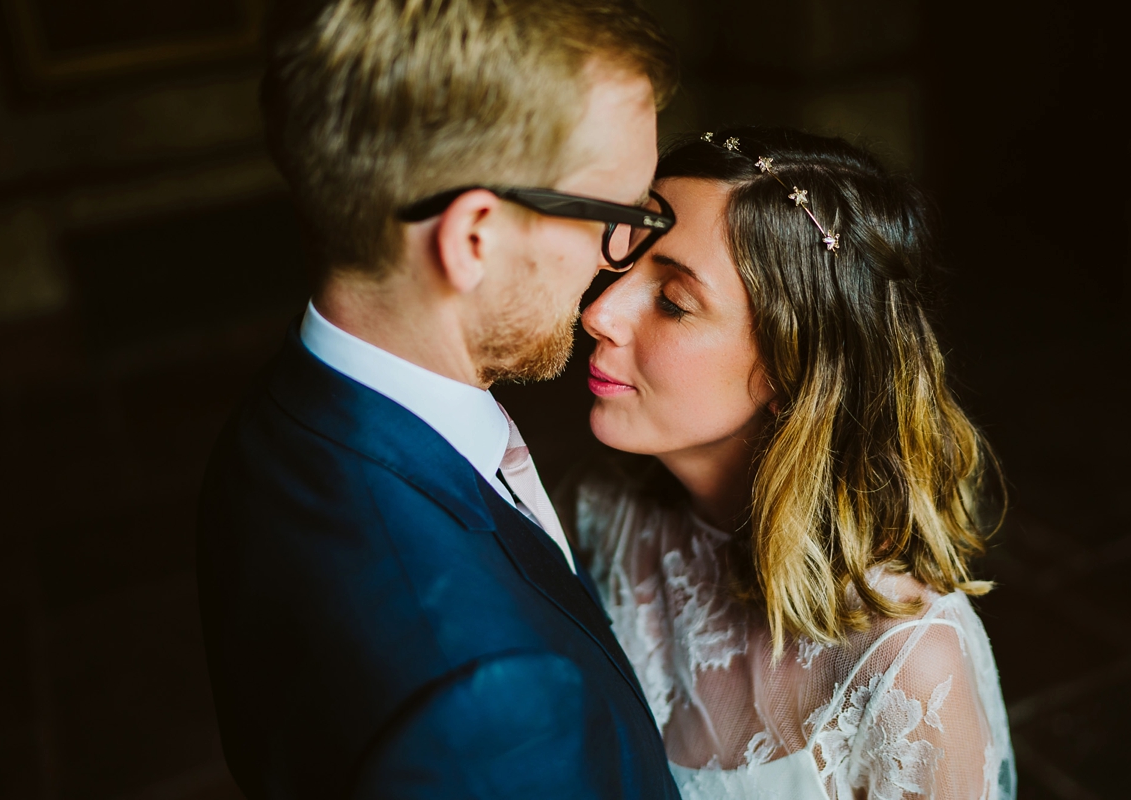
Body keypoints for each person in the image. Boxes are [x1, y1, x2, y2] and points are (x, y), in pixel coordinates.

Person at [196, 0, 684, 797]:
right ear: (474, 239)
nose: (620, 260)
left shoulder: (279, 418)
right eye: (617, 217)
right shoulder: (493, 702)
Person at [565, 128, 1016, 800]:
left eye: (672, 301)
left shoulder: (909, 671)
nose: (598, 310)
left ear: (792, 368)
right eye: (623, 261)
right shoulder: (602, 513)